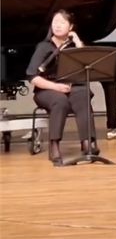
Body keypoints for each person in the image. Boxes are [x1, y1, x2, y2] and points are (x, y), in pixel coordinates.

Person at [25, 9, 99, 166]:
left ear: (71, 27)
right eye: (55, 22)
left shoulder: (73, 46)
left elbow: (86, 64)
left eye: (62, 22)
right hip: (46, 90)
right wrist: (56, 87)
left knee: (82, 94)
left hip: (70, 87)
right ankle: (54, 145)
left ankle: (87, 142)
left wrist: (77, 41)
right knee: (60, 101)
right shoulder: (44, 47)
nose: (57, 25)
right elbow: (32, 77)